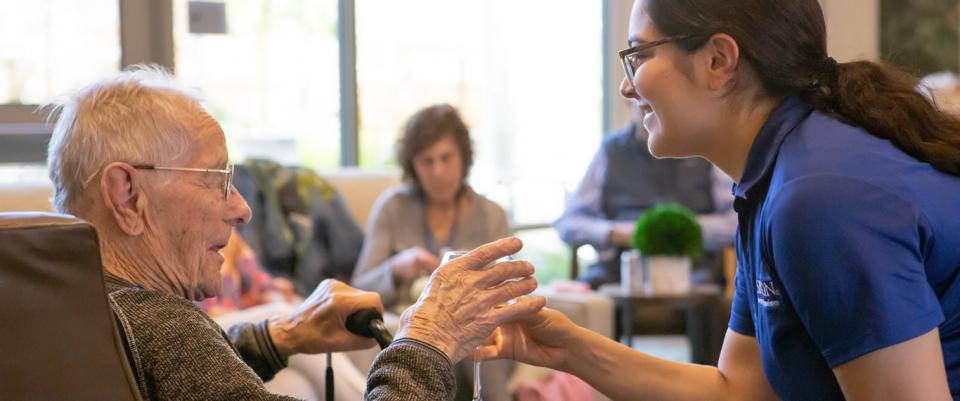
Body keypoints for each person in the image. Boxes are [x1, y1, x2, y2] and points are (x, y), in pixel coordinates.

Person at [485, 0, 960, 400]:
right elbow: (738, 389)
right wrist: (570, 348)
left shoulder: (817, 198)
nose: (628, 86)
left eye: (640, 55)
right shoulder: (773, 179)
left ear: (718, 60)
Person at [46, 66, 544, 400]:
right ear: (128, 196)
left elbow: (180, 378)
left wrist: (281, 334)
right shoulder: (161, 324)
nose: (241, 210)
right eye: (218, 181)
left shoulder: (73, 308)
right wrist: (428, 337)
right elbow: (176, 355)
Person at [351, 103, 514, 401]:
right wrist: (397, 267)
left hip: (473, 319)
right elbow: (359, 288)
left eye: (446, 158)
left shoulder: (491, 214)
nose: (438, 172)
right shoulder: (392, 208)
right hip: (413, 323)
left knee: (480, 331)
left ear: (463, 158)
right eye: (427, 161)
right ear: (412, 164)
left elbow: (505, 287)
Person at [555, 99, 736, 289]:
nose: (653, 113)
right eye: (644, 104)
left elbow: (737, 220)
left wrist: (682, 230)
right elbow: (568, 222)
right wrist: (613, 233)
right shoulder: (611, 151)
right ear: (628, 104)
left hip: (690, 270)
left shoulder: (703, 147)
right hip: (618, 269)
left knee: (698, 300)